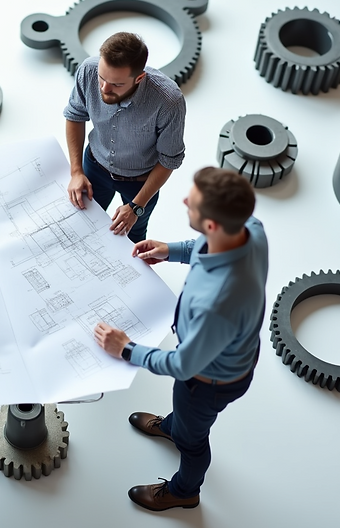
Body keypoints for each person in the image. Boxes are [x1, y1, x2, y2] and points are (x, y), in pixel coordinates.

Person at [94, 167, 267, 511]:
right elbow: (205, 247)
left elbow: (182, 363)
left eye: (194, 203)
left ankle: (185, 491)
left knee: (194, 441)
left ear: (212, 224)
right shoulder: (250, 229)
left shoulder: (218, 301)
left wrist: (126, 349)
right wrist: (168, 250)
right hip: (224, 354)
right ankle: (174, 426)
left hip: (207, 381)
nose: (185, 200)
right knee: (185, 417)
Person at [64, 31, 186, 241]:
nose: (104, 88)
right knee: (82, 225)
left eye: (117, 84)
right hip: (94, 165)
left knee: (133, 237)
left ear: (139, 78)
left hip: (140, 182)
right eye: (102, 78)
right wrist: (76, 171)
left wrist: (136, 207)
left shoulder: (169, 102)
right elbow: (75, 116)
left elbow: (169, 159)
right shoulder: (88, 70)